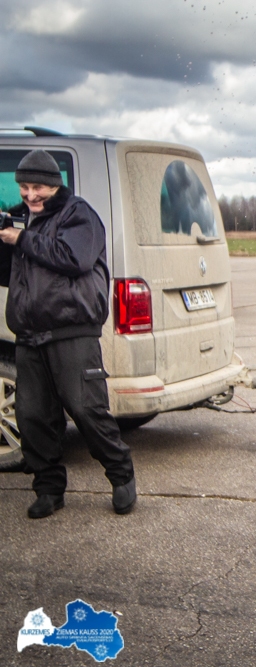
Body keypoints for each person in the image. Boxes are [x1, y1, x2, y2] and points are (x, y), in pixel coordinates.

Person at [0, 150, 136, 518]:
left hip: (71, 330)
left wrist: (20, 238)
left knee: (86, 409)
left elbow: (72, 258)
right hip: (29, 334)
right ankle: (48, 488)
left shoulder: (78, 214)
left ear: (55, 184)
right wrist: (4, 241)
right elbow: (11, 272)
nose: (31, 195)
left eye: (38, 187)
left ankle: (121, 475)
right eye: (25, 187)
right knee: (31, 417)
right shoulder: (23, 220)